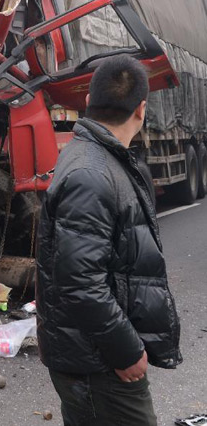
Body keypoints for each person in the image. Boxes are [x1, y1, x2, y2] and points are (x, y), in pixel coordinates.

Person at [36, 55, 181, 426]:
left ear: (87, 101)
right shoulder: (92, 174)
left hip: (91, 357)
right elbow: (81, 282)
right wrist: (125, 350)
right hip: (98, 364)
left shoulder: (99, 160)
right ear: (142, 109)